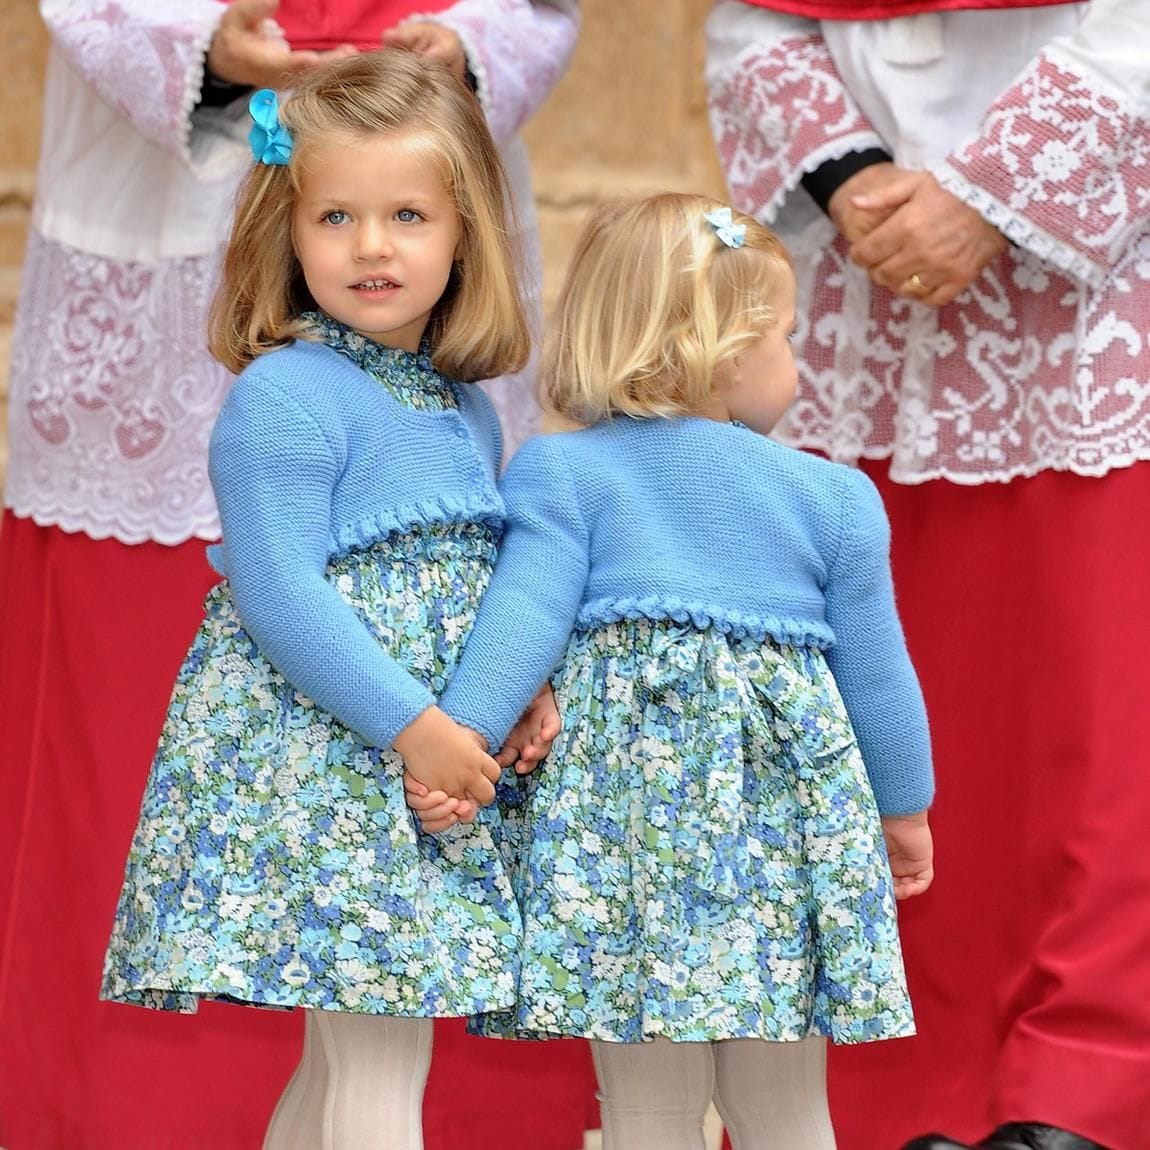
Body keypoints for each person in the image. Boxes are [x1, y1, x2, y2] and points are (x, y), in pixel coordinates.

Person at [0, 3, 590, 1148]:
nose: (373, 246)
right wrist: (415, 725)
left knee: (347, 1070)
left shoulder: (462, 407)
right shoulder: (283, 395)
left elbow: (475, 579)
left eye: (407, 216)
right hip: (328, 772)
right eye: (337, 216)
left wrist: (517, 682)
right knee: (376, 1069)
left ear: (465, 235)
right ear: (289, 229)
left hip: (419, 765)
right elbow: (277, 590)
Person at [704, 1, 1150, 1148]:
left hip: (1097, 266)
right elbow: (747, 19)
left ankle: (1085, 1086)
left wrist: (988, 193)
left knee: (1095, 703)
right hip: (865, 274)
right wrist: (852, 178)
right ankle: (895, 1086)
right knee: (889, 691)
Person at [408, 192, 936, 1150]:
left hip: (626, 843)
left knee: (644, 1107)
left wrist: (463, 741)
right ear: (725, 348)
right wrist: (904, 810)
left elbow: (519, 623)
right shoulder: (834, 497)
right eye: (787, 337)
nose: (799, 362)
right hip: (783, 845)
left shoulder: (563, 472)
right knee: (784, 1104)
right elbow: (881, 677)